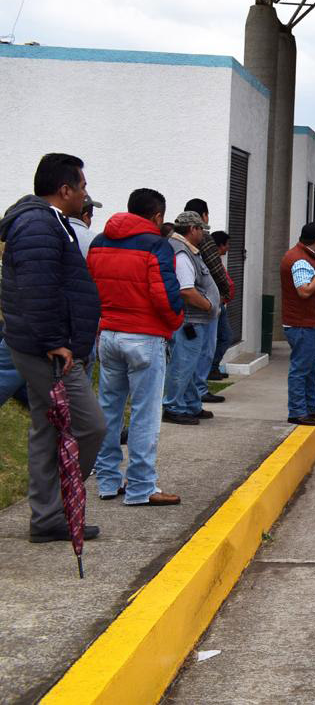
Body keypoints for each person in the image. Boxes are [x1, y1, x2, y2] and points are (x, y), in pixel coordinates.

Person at [0, 153, 106, 543]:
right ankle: (63, 503)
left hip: (43, 346)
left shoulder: (49, 222)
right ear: (65, 190)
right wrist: (54, 342)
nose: (85, 194)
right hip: (47, 350)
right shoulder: (39, 225)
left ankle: (47, 519)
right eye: (82, 187)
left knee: (46, 430)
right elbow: (37, 290)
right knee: (91, 426)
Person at [87, 188, 184, 506]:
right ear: (157, 216)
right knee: (144, 413)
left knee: (109, 409)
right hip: (145, 337)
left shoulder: (99, 242)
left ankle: (107, 481)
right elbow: (165, 298)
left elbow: (91, 289)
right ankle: (141, 487)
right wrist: (175, 322)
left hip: (109, 334)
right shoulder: (157, 246)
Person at [162, 211, 219, 425]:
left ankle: (191, 405)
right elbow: (186, 290)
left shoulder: (186, 250)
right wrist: (209, 305)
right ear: (193, 229)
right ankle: (174, 407)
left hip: (194, 321)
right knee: (183, 364)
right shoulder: (182, 252)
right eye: (201, 230)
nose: (203, 234)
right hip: (190, 321)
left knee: (190, 365)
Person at [280, 221, 315, 425]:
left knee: (309, 369)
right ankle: (297, 412)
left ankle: (310, 408)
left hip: (310, 323)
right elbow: (304, 291)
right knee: (301, 369)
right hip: (303, 324)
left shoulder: (304, 256)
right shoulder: (301, 261)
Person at [184, 200, 233, 404]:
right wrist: (225, 291)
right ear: (203, 216)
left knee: (194, 351)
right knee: (206, 348)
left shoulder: (181, 242)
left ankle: (194, 391)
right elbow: (216, 269)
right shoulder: (204, 239)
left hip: (196, 303)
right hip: (207, 304)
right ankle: (199, 390)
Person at [207, 230, 235, 381]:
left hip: (221, 304)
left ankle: (213, 367)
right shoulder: (211, 262)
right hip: (215, 305)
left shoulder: (216, 261)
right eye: (227, 244)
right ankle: (210, 368)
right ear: (220, 245)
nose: (228, 248)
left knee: (223, 337)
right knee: (223, 338)